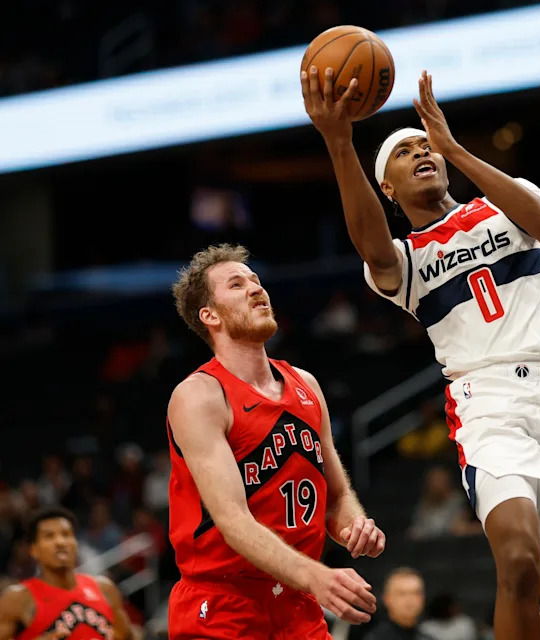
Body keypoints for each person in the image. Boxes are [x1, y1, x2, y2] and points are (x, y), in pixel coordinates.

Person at [302, 68, 540, 639]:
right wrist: (339, 142)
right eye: (404, 152)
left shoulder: (506, 206)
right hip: (487, 401)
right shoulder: (403, 262)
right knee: (517, 561)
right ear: (385, 189)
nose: (421, 152)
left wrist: (454, 147)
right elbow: (370, 245)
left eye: (424, 146)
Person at [166, 244, 385, 639]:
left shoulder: (306, 384)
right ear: (209, 315)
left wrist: (355, 525)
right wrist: (315, 574)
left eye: (256, 281)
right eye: (236, 284)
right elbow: (232, 520)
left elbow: (335, 495)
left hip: (297, 601)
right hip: (222, 605)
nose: (256, 289)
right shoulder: (199, 395)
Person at [0, 506, 137, 639]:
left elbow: (127, 636)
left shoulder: (104, 588)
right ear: (33, 550)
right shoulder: (17, 598)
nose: (60, 542)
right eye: (49, 536)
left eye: (66, 534)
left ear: (76, 543)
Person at [365, 568, 433, 640]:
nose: (409, 599)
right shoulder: (375, 638)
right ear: (387, 599)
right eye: (402, 593)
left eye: (416, 593)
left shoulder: (427, 637)